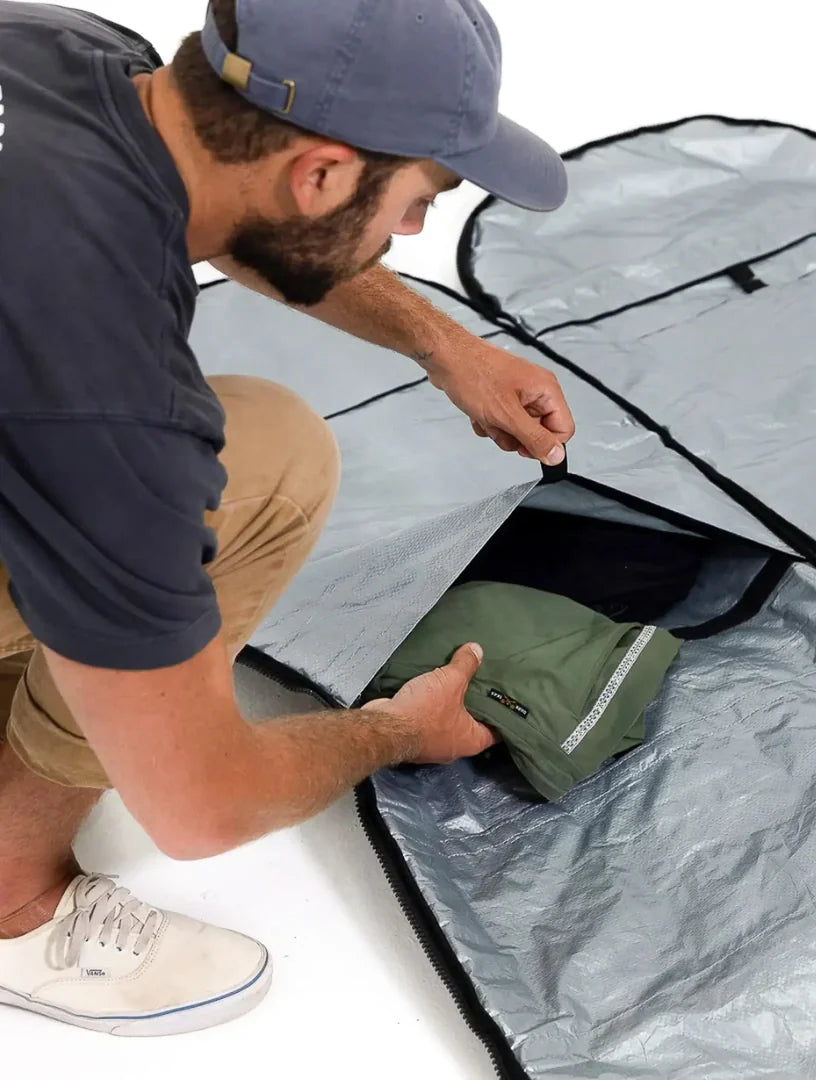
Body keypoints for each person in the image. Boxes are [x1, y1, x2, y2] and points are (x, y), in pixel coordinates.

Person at [0, 0, 575, 1035]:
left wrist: (446, 346)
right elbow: (202, 804)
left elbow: (243, 221)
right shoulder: (107, 405)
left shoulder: (67, 51)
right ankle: (10, 898)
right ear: (319, 175)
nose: (410, 232)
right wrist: (395, 732)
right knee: (274, 465)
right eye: (418, 199)